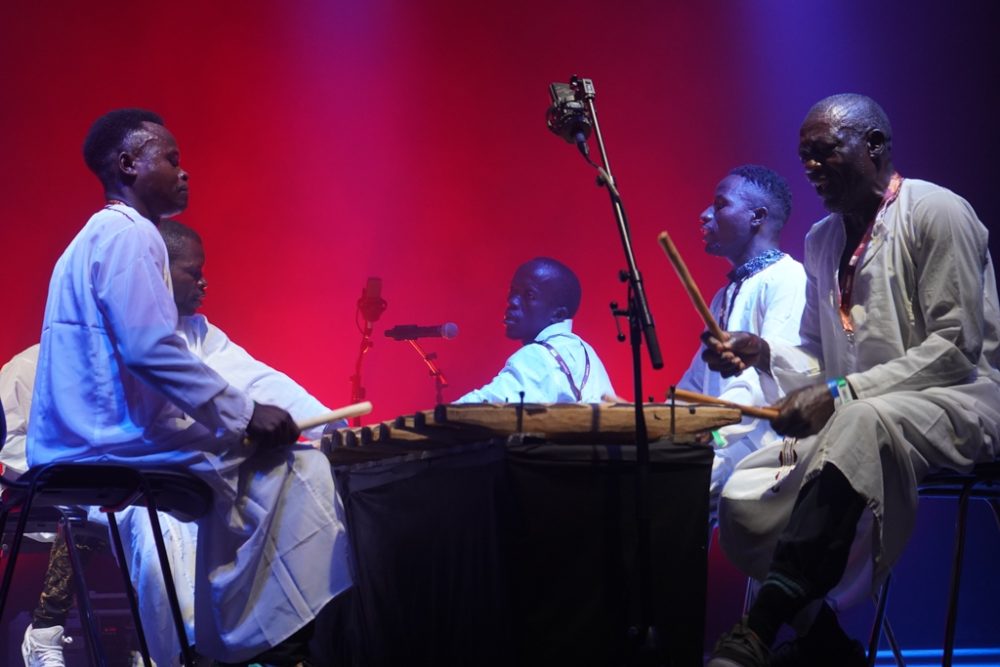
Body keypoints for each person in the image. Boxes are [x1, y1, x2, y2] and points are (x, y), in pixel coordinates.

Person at [26, 109, 351, 666]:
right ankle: (245, 639)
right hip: (106, 444)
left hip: (85, 441)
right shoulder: (133, 235)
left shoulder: (90, 239)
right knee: (299, 466)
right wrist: (245, 415)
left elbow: (226, 369)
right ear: (129, 164)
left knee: (256, 462)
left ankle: (226, 633)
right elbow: (149, 349)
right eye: (171, 158)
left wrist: (261, 413)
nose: (184, 172)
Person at [704, 94, 1000, 666]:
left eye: (825, 152)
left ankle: (757, 631)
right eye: (805, 157)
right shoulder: (821, 240)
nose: (811, 167)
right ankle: (827, 646)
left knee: (861, 420)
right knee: (742, 495)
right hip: (863, 416)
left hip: (960, 401)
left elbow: (954, 349)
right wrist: (764, 353)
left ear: (875, 146)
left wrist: (845, 392)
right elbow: (817, 353)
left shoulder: (937, 211)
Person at [676, 164, 806, 523]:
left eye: (720, 205)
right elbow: (696, 383)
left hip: (765, 449)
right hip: (725, 444)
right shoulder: (724, 295)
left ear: (757, 216)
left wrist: (713, 435)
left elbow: (764, 382)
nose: (705, 215)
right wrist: (667, 421)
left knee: (668, 491)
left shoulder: (788, 279)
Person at [453, 257, 615, 404]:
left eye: (529, 295)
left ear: (558, 314)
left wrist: (438, 418)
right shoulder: (586, 351)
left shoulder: (538, 356)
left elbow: (481, 407)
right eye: (512, 291)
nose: (512, 301)